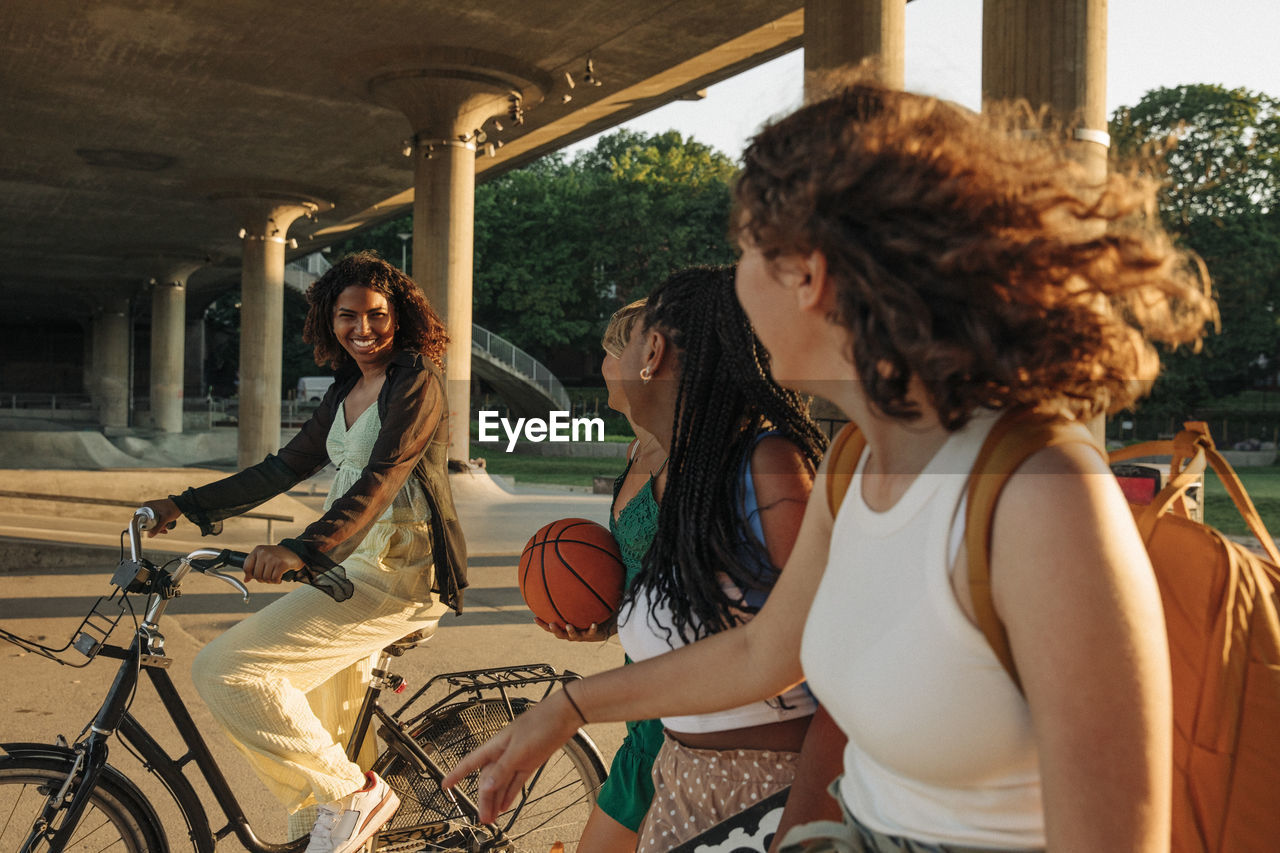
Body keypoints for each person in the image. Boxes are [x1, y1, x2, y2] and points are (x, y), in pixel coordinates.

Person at [445, 81, 1216, 853]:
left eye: (746, 251)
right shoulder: (856, 464)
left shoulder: (1039, 493)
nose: (736, 287)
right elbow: (760, 652)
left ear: (808, 276)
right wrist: (567, 708)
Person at [143, 251, 467, 853]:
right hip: (347, 566)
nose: (362, 329)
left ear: (400, 316)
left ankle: (355, 797)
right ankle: (341, 817)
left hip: (395, 571)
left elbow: (385, 475)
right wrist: (182, 505)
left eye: (376, 314)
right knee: (325, 735)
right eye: (348, 316)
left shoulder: (415, 379)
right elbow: (282, 468)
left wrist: (301, 547)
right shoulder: (349, 387)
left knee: (227, 671)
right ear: (329, 319)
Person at [538, 297, 667, 852]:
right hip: (643, 691)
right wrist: (610, 619)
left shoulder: (684, 458)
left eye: (609, 353)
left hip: (678, 696)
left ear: (647, 360)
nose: (602, 367)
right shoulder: (639, 447)